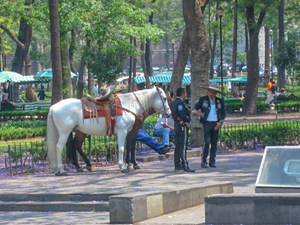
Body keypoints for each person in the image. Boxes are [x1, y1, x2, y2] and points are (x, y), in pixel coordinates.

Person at [193, 85, 226, 168]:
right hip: (206, 123)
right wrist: (197, 113)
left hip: (216, 123)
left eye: (213, 92)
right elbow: (195, 108)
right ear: (208, 92)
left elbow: (223, 113)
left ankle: (212, 161)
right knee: (207, 142)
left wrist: (220, 122)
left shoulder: (219, 101)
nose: (211, 93)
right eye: (210, 92)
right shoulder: (203, 99)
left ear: (215, 93)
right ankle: (204, 161)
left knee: (214, 143)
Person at [171, 87, 195, 172]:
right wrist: (188, 119)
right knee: (183, 146)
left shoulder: (174, 102)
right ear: (183, 93)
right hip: (182, 126)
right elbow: (183, 115)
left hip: (176, 126)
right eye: (185, 93)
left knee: (177, 146)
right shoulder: (180, 103)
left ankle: (177, 165)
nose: (186, 95)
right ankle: (185, 165)